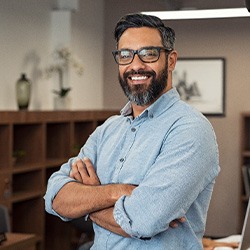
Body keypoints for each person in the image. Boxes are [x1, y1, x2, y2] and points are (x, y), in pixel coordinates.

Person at [44, 13, 220, 249]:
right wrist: (119, 192)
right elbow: (55, 197)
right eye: (125, 55)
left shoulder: (191, 130)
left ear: (171, 60)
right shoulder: (108, 130)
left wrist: (87, 200)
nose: (136, 65)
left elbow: (143, 221)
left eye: (148, 54)